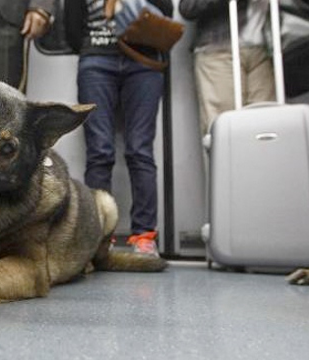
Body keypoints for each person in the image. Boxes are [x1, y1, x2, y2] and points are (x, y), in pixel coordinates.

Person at [65, 0, 174, 257]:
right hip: (96, 60)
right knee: (100, 151)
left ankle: (144, 234)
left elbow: (166, 11)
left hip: (144, 60)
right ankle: (99, 234)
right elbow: (71, 31)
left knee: (140, 149)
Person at [179, 0, 275, 136]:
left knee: (267, 128)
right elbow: (188, 7)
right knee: (225, 128)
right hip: (220, 50)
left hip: (262, 50)